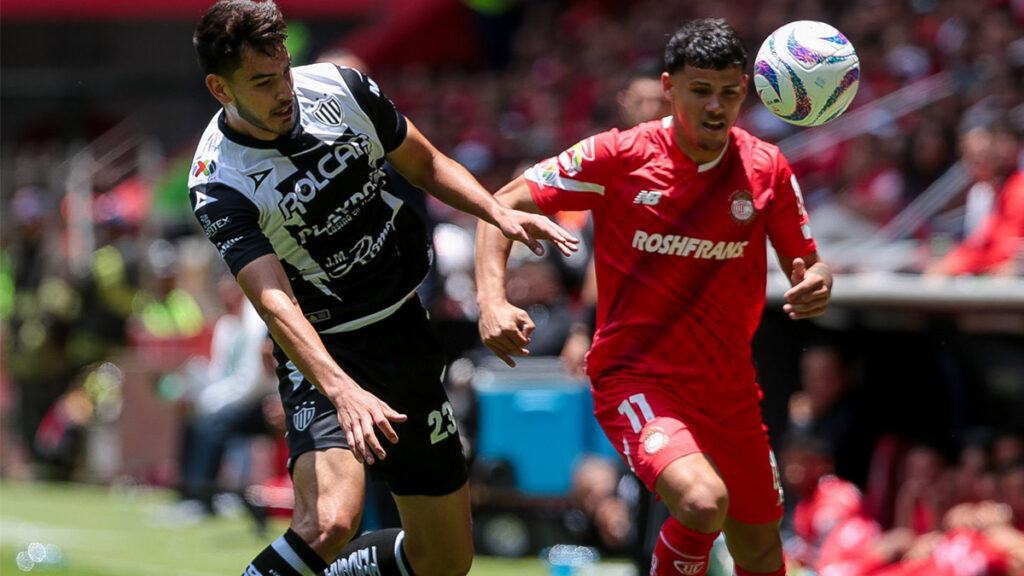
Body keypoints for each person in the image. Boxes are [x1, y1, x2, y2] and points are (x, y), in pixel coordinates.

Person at [188, 2, 578, 575]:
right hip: (325, 351)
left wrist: (494, 210)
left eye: (285, 72)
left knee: (444, 560)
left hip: (405, 330)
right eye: (263, 82)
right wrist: (343, 392)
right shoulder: (218, 180)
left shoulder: (340, 89)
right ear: (221, 88)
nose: (284, 92)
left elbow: (427, 163)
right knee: (329, 521)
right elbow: (274, 302)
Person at [476, 18, 832, 576]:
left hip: (730, 388)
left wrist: (816, 284)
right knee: (701, 501)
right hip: (637, 378)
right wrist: (492, 301)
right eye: (700, 91)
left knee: (762, 554)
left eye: (730, 92)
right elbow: (502, 204)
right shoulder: (618, 157)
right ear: (670, 88)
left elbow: (808, 266)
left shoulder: (766, 168)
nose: (716, 106)